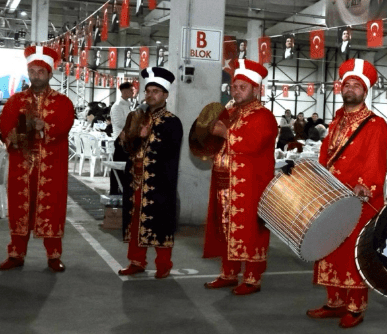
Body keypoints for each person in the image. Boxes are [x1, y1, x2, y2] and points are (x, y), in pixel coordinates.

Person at [306, 58, 387, 329]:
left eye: (356, 85)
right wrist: (318, 179)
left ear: (365, 92)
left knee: (353, 253)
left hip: (359, 199)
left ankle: (355, 307)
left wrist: (366, 185)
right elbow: (325, 154)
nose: (350, 88)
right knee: (330, 248)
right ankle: (334, 301)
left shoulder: (376, 124)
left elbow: (376, 161)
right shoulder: (337, 121)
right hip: (332, 196)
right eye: (346, 84)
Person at [201, 60, 277, 295]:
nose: (236, 91)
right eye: (234, 86)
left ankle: (253, 278)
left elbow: (253, 144)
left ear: (256, 90)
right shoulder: (230, 112)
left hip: (251, 186)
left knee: (251, 231)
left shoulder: (263, 116)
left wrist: (226, 132)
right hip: (224, 183)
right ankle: (228, 273)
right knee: (225, 228)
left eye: (243, 87)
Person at [0, 46, 75, 273]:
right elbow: (6, 128)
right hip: (21, 165)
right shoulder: (15, 101)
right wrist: (28, 126)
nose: (36, 75)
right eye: (32, 71)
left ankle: (53, 256)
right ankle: (15, 254)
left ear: (50, 74)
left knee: (51, 209)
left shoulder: (63, 102)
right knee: (20, 209)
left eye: (41, 71)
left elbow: (64, 125)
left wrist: (45, 126)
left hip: (52, 166)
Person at [117, 67, 183, 279]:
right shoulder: (134, 116)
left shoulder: (172, 122)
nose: (150, 95)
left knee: (160, 222)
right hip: (135, 179)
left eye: (156, 91)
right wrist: (129, 137)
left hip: (159, 183)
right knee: (135, 220)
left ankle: (163, 264)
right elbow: (123, 148)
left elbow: (169, 151)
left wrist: (145, 136)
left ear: (165, 95)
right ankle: (136, 261)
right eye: (148, 91)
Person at [109, 82, 136, 195]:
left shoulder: (128, 105)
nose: (133, 92)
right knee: (118, 169)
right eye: (131, 90)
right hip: (120, 140)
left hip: (129, 140)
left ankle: (124, 191)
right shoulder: (117, 106)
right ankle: (115, 191)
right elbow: (120, 123)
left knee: (126, 168)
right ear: (124, 91)